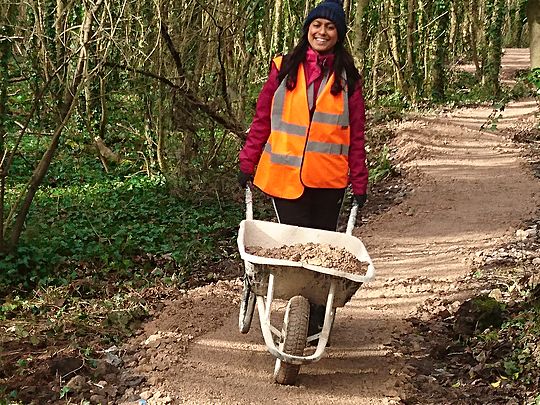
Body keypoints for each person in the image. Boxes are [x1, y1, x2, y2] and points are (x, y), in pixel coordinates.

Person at [237, 0, 368, 339]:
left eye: (330, 27)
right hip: (284, 177)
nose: (322, 32)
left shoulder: (348, 79)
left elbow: (356, 135)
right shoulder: (283, 68)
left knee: (322, 254)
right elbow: (263, 118)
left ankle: (314, 321)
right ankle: (299, 311)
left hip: (329, 180)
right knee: (294, 250)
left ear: (338, 36)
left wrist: (360, 181)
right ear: (307, 28)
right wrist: (248, 161)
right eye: (317, 25)